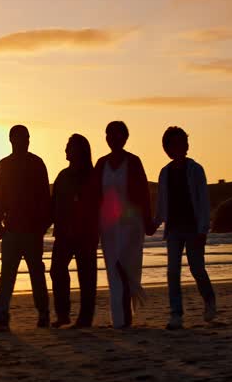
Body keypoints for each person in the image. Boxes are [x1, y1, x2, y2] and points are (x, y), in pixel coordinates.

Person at [0, 125, 52, 331]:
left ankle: (43, 314)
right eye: (22, 138)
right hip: (13, 228)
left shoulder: (36, 163)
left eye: (27, 138)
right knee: (9, 274)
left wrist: (43, 225)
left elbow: (44, 197)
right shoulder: (4, 165)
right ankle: (2, 316)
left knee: (35, 272)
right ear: (12, 140)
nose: (25, 141)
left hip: (31, 229)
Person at [154, 126, 216, 330]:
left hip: (193, 228)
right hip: (173, 229)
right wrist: (155, 222)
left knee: (197, 268)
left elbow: (203, 201)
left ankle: (209, 300)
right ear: (168, 148)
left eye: (183, 142)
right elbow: (163, 203)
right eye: (175, 143)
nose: (181, 147)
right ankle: (176, 314)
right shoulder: (165, 173)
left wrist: (203, 229)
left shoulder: (195, 170)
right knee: (173, 271)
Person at [95, 121, 155, 328]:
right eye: (109, 134)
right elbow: (95, 196)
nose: (112, 138)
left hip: (131, 224)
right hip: (109, 225)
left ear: (125, 138)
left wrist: (148, 221)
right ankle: (120, 319)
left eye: (117, 135)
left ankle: (125, 315)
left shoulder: (133, 161)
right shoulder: (101, 163)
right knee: (113, 269)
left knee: (126, 267)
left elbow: (144, 195)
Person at [51, 134, 98, 328]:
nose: (66, 150)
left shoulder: (91, 176)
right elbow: (53, 205)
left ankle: (85, 317)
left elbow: (96, 204)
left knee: (86, 275)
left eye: (69, 147)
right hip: (63, 232)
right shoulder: (63, 175)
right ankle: (63, 314)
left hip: (85, 232)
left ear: (79, 150)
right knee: (57, 270)